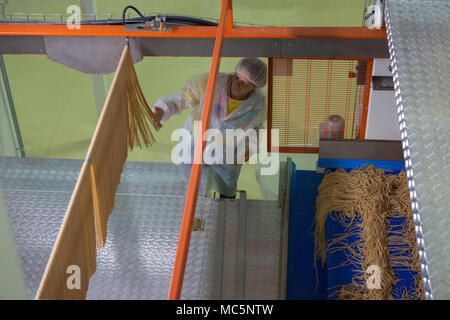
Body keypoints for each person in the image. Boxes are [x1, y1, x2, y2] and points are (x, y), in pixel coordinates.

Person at [153, 58, 267, 199]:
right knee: (189, 186)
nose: (236, 84)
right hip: (195, 142)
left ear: (253, 87)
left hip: (227, 151)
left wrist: (251, 148)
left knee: (225, 190)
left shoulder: (259, 105)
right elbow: (182, 98)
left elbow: (256, 128)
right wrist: (162, 111)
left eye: (244, 83)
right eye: (236, 77)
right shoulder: (210, 82)